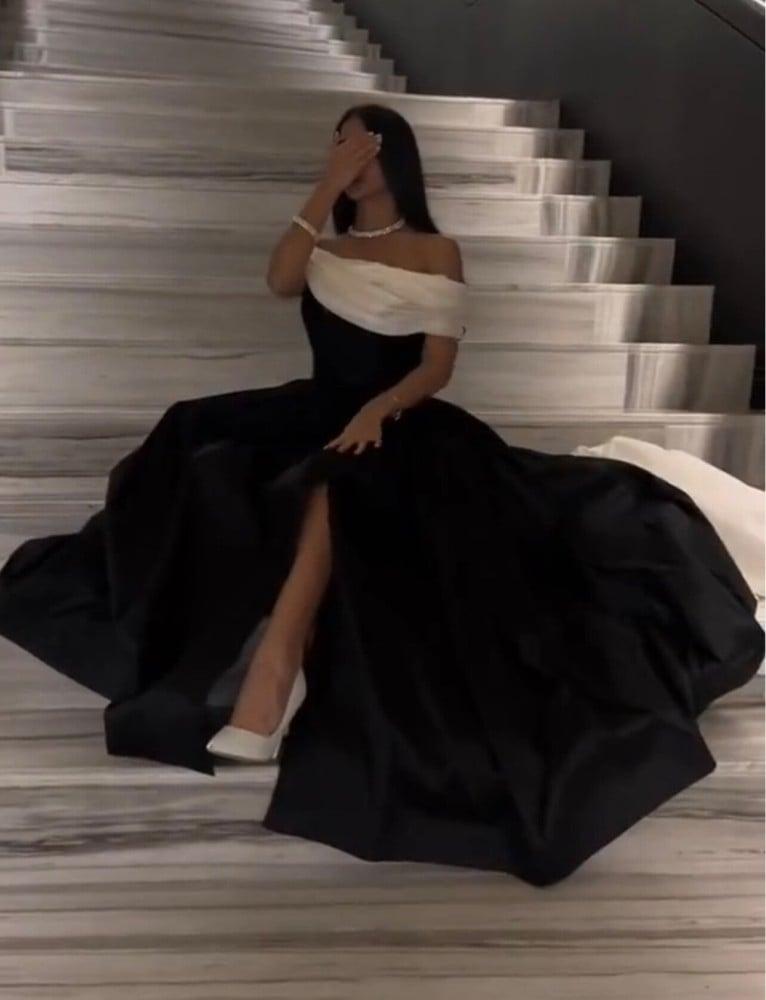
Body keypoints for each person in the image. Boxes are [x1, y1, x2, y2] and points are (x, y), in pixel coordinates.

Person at [0, 103, 762, 888]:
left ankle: (274, 675)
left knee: (341, 479)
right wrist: (322, 188)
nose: (350, 161)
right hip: (316, 408)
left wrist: (379, 410)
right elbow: (280, 279)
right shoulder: (324, 246)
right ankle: (227, 650)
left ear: (395, 158)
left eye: (362, 149)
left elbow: (436, 366)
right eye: (339, 148)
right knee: (196, 436)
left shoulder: (437, 250)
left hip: (401, 420)